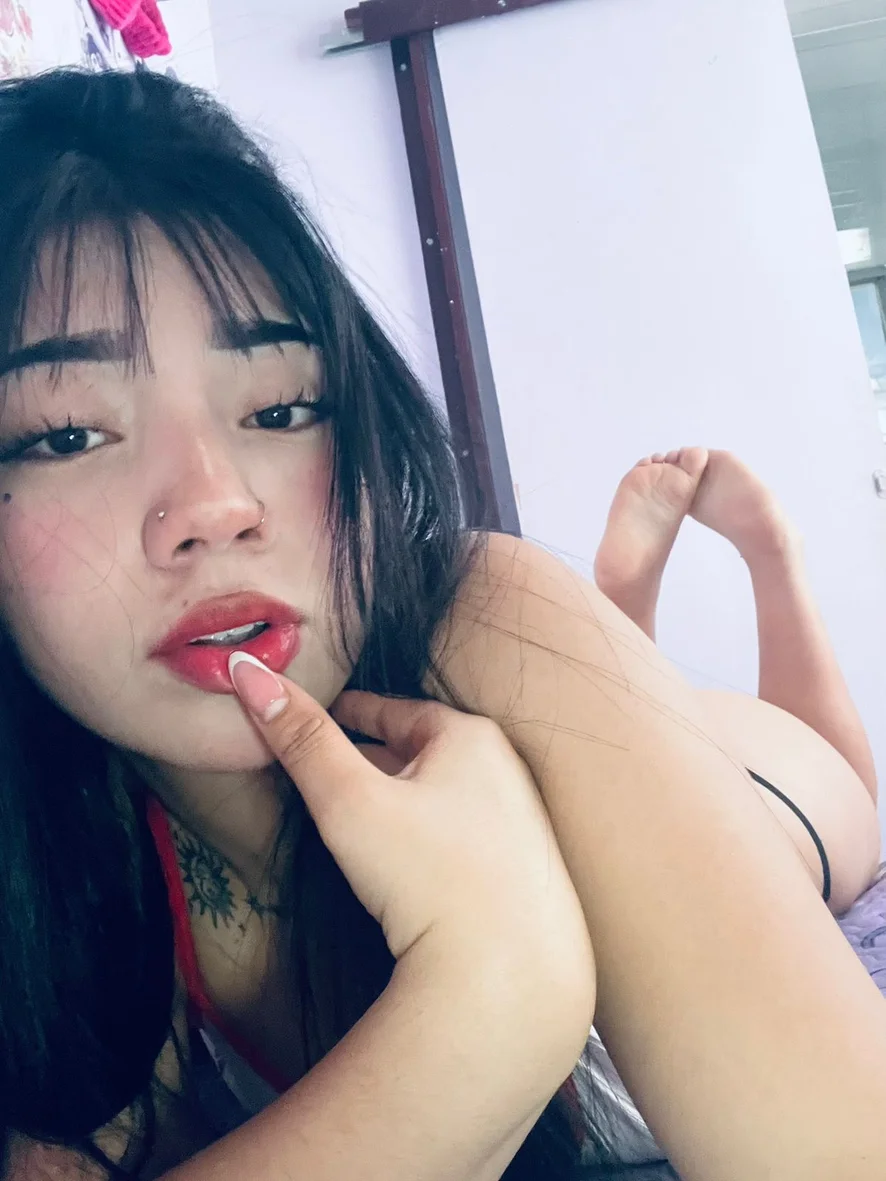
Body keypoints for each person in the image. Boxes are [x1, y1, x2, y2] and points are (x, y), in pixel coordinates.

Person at [2, 65, 886, 1181]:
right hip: (575, 713)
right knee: (596, 703)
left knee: (841, 798)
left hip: (762, 784)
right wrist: (485, 997)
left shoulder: (483, 602)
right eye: (67, 435)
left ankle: (764, 564)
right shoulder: (67, 850)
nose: (218, 506)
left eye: (282, 408)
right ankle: (621, 651)